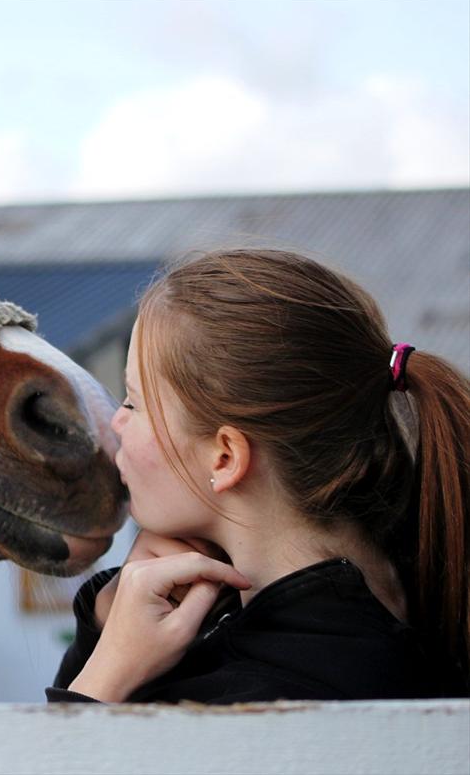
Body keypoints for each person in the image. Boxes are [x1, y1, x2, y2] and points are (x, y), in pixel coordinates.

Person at [48, 249, 470, 703]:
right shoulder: (392, 611)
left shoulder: (255, 703)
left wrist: (104, 678)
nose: (117, 422)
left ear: (225, 457)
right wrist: (106, 620)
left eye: (134, 402)